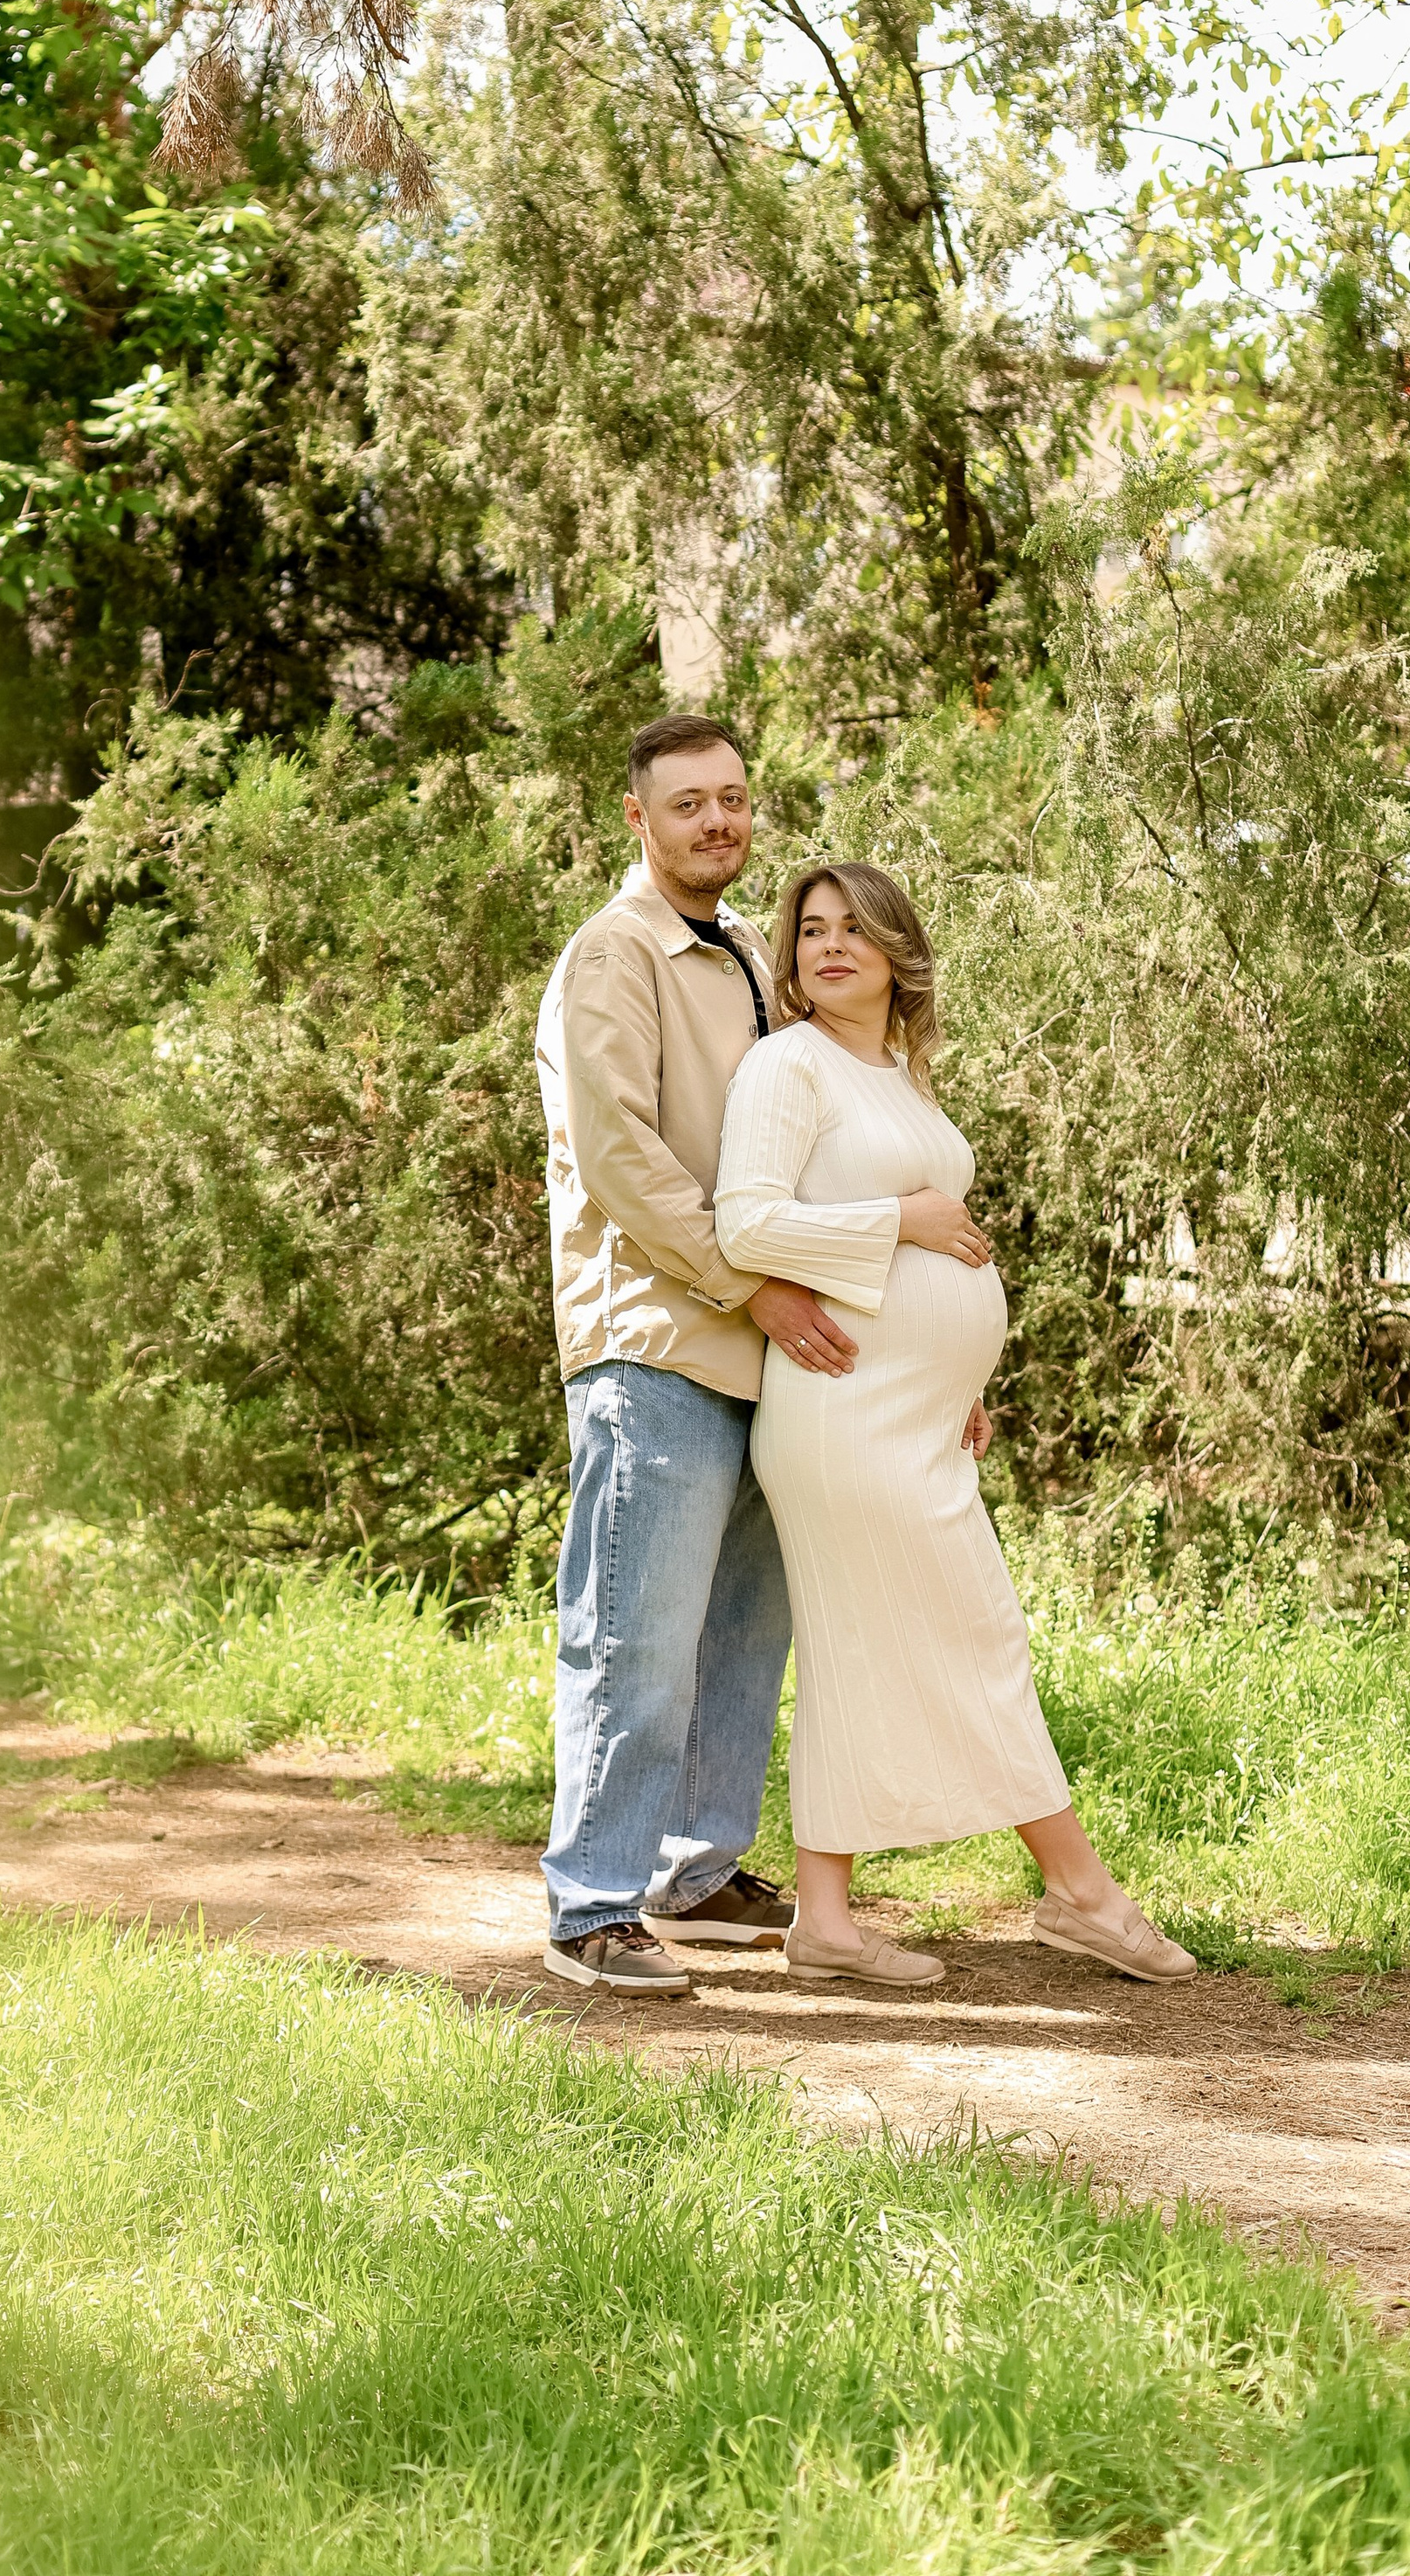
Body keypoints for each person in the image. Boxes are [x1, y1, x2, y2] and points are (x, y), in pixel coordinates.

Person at [714, 860, 1195, 1987]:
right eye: (812, 931)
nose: (831, 947)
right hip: (842, 1417)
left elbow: (928, 1248)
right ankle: (1081, 1894)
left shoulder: (896, 1074)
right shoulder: (789, 1064)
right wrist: (904, 1218)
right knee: (975, 1634)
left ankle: (825, 1920)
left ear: (898, 951)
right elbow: (748, 1227)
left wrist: (955, 1374)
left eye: (855, 929)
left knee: (857, 1651)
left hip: (910, 1413)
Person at [531, 716, 863, 1998]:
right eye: (688, 803)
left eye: (732, 798)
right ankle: (593, 1904)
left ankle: (693, 1870)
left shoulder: (748, 957)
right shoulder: (615, 955)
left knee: (741, 1632)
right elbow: (620, 1157)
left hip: (769, 1353)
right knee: (635, 1634)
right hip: (658, 1341)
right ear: (639, 818)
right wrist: (749, 1287)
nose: (717, 821)